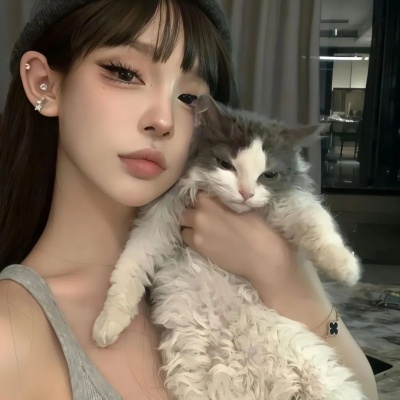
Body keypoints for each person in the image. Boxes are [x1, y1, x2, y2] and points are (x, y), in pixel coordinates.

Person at [0, 0, 377, 399]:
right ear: (44, 83)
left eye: (188, 98)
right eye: (125, 73)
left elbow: (361, 390)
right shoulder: (13, 334)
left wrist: (293, 284)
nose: (162, 120)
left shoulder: (233, 264)